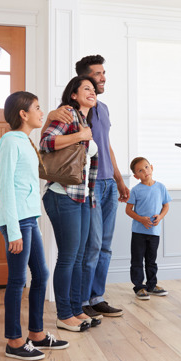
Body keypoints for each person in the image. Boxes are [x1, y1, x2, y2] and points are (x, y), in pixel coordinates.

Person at [0, 91, 69, 361]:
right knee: (17, 281)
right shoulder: (10, 142)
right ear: (23, 114)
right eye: (37, 108)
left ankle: (36, 334)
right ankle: (14, 341)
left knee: (41, 274)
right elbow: (6, 189)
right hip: (17, 222)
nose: (42, 112)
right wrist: (13, 231)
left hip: (29, 219)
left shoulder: (25, 141)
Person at [40, 76, 102, 333]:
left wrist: (92, 197)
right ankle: (63, 315)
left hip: (82, 197)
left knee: (78, 257)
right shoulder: (66, 115)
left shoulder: (85, 121)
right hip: (61, 193)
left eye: (93, 89)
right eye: (86, 88)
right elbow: (46, 143)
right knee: (68, 257)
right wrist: (80, 135)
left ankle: (76, 310)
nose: (92, 91)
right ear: (73, 95)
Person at [75, 55, 130, 318]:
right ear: (85, 79)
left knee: (106, 245)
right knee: (93, 244)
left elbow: (106, 144)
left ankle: (97, 297)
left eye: (104, 72)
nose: (103, 77)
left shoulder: (104, 108)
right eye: (98, 74)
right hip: (91, 184)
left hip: (109, 183)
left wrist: (120, 179)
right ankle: (82, 299)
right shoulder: (73, 109)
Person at [125, 157, 172, 300]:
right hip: (138, 232)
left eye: (146, 167)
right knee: (137, 259)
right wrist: (141, 219)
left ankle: (151, 285)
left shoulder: (161, 187)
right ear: (135, 176)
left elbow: (166, 205)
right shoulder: (135, 190)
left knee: (152, 260)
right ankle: (139, 287)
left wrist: (161, 216)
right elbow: (128, 210)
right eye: (140, 170)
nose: (145, 171)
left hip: (154, 232)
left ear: (151, 167)